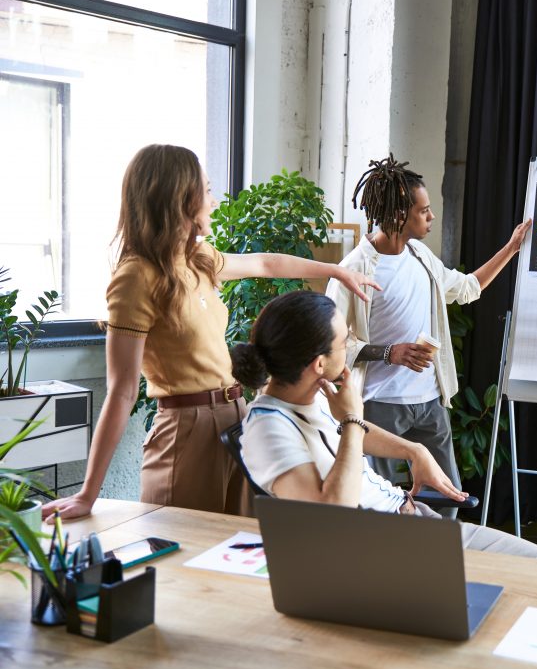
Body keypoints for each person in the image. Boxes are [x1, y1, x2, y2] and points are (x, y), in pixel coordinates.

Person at [43, 144, 378, 521]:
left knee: (237, 547)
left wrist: (335, 271)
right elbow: (121, 391)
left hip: (236, 417)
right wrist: (89, 494)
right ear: (178, 199)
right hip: (186, 431)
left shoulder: (196, 259)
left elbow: (265, 263)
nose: (213, 201)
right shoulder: (135, 278)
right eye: (206, 190)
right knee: (181, 554)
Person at [230, 290, 537, 562]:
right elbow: (330, 516)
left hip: (409, 518)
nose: (348, 349)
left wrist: (413, 450)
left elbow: (353, 433)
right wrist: (350, 419)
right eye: (344, 342)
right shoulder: (268, 429)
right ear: (319, 363)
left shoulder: (311, 393)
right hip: (388, 548)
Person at [326, 155, 529, 517]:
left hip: (431, 402)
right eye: (424, 211)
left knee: (448, 499)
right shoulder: (352, 269)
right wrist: (390, 352)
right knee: (378, 507)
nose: (431, 217)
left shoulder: (421, 256)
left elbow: (467, 288)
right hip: (379, 406)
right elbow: (332, 345)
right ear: (399, 215)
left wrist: (512, 248)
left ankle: (435, 568)